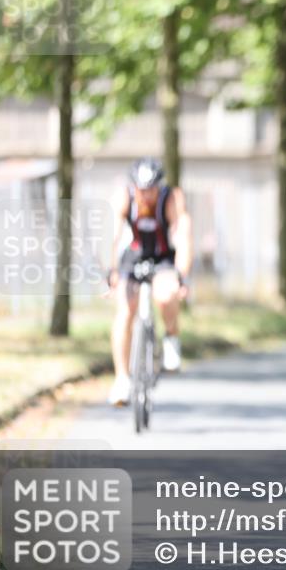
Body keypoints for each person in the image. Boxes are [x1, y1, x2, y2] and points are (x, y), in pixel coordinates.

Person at [107, 158, 193, 406]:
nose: (146, 195)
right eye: (141, 190)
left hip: (163, 256)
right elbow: (110, 236)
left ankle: (171, 337)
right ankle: (122, 378)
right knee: (125, 312)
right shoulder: (123, 197)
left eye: (151, 190)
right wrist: (110, 270)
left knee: (166, 296)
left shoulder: (172, 199)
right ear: (134, 187)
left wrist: (182, 274)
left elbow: (183, 235)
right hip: (133, 256)